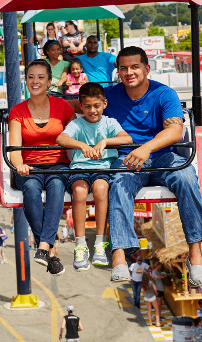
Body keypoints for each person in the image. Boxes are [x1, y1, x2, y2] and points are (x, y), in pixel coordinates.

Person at [104, 46, 202, 286]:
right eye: (123, 68)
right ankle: (119, 256)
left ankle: (195, 256)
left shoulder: (164, 94)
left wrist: (146, 148)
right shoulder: (109, 97)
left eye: (134, 67)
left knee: (185, 177)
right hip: (127, 159)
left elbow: (175, 130)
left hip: (162, 156)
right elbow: (78, 106)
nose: (129, 73)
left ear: (146, 68)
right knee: (119, 183)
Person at [8, 59, 75, 276]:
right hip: (29, 166)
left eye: (40, 77)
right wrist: (20, 165)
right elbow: (15, 148)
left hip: (58, 163)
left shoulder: (62, 107)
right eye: (31, 77)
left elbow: (76, 134)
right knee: (30, 189)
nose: (35, 82)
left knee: (56, 185)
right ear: (26, 80)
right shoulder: (17, 111)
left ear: (49, 81)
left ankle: (43, 247)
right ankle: (50, 250)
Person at [56, 82, 132, 271]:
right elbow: (61, 139)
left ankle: (100, 241)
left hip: (102, 167)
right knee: (80, 192)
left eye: (96, 106)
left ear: (104, 104)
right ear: (81, 106)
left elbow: (127, 139)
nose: (92, 111)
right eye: (88, 106)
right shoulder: (77, 124)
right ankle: (80, 244)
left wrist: (105, 141)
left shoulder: (109, 123)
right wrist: (81, 146)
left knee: (100, 189)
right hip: (81, 166)